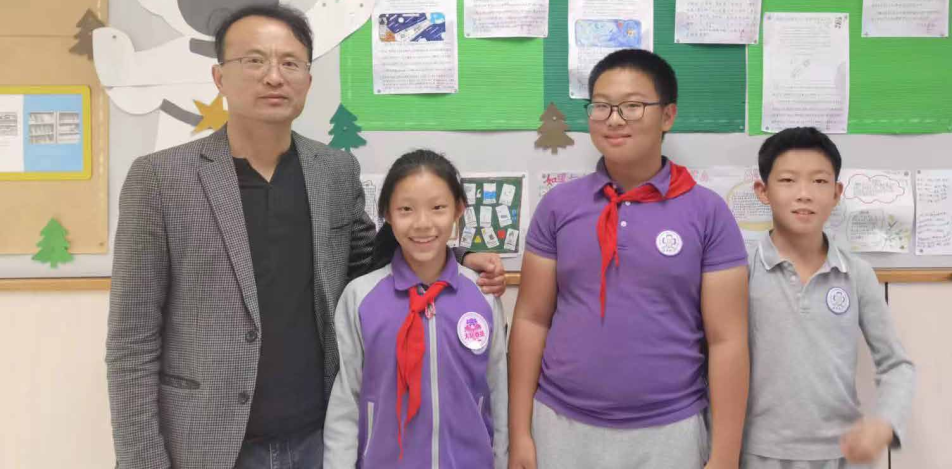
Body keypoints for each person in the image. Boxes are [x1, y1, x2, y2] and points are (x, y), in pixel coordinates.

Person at [107, 4, 505, 469]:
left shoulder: (334, 171)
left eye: (290, 63)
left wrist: (458, 256)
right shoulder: (161, 179)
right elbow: (131, 342)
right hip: (208, 443)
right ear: (219, 77)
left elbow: (372, 263)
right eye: (254, 60)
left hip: (317, 438)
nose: (274, 76)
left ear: (308, 81)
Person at [508, 49, 750, 469]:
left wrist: (725, 455)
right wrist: (520, 434)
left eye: (632, 106)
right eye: (601, 106)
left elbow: (727, 339)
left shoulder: (708, 212)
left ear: (668, 116)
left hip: (670, 429)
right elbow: (531, 319)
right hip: (560, 423)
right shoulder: (558, 206)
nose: (614, 119)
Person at [742, 127, 915, 469]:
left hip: (843, 454)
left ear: (836, 194)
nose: (804, 194)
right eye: (788, 180)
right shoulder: (741, 271)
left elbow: (897, 365)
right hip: (759, 453)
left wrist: (884, 423)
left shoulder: (857, 274)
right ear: (763, 191)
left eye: (819, 181)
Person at [324, 149, 508, 468]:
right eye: (406, 209)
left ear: (458, 209)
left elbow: (498, 392)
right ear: (387, 213)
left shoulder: (483, 295)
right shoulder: (360, 297)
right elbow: (346, 402)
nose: (423, 224)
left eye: (438, 208)